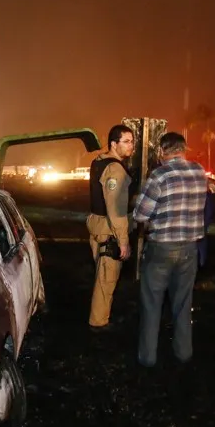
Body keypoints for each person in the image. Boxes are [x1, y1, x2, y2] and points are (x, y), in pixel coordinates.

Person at [132, 132, 207, 367]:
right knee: (183, 303)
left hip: (161, 248)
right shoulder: (199, 172)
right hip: (189, 248)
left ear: (162, 151)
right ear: (183, 149)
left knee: (152, 303)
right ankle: (183, 353)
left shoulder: (160, 175)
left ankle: (147, 357)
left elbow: (141, 214)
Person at [86, 124, 135, 331]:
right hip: (108, 228)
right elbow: (116, 209)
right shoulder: (114, 168)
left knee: (102, 275)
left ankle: (100, 317)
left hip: (98, 223)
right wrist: (123, 241)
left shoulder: (98, 161)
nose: (131, 146)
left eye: (132, 141)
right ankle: (99, 322)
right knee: (107, 278)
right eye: (126, 141)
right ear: (114, 144)